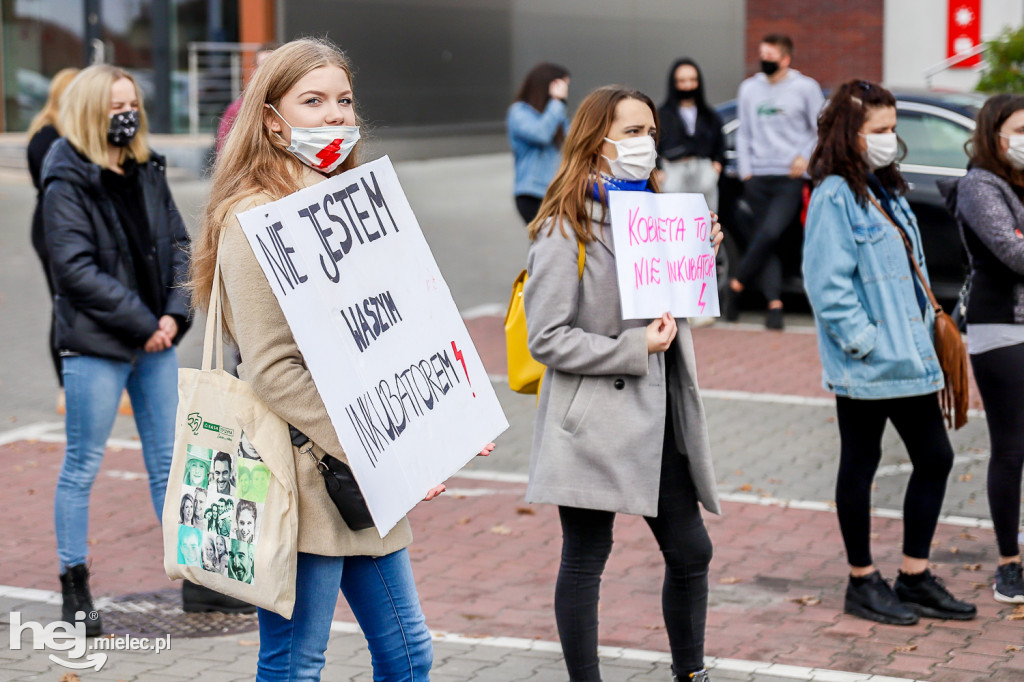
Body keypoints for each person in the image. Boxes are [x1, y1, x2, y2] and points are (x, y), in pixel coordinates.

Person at [189, 37, 494, 681]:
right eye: (314, 100)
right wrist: (385, 449)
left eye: (344, 100)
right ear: (271, 118)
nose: (335, 115)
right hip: (301, 479)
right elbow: (272, 370)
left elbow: (396, 331)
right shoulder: (252, 219)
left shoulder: (354, 203)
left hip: (362, 478)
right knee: (297, 663)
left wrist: (442, 422)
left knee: (409, 654)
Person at [523, 85, 723, 682]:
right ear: (596, 140)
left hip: (658, 412)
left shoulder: (658, 212)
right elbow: (547, 338)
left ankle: (690, 671)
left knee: (691, 551)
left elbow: (675, 307)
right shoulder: (565, 227)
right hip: (595, 418)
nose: (645, 144)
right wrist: (635, 347)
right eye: (632, 132)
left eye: (650, 133)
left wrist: (702, 254)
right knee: (586, 559)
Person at [803, 79, 976, 626]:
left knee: (933, 458)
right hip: (871, 361)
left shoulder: (884, 187)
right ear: (849, 134)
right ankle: (861, 580)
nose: (889, 139)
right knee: (862, 463)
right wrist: (867, 342)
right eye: (879, 130)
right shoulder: (835, 194)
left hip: (908, 356)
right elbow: (828, 286)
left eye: (892, 129)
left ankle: (914, 575)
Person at [43, 64, 193, 636]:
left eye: (131, 103)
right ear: (88, 112)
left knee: (168, 465)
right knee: (82, 465)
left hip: (156, 340)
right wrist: (142, 324)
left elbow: (181, 246)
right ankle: (74, 586)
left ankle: (195, 577)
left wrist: (175, 317)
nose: (126, 115)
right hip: (98, 345)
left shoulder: (147, 169)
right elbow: (74, 270)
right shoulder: (66, 179)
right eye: (113, 106)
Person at [939, 94, 1024, 604]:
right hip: (1002, 329)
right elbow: (1013, 252)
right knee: (1012, 447)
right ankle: (1008, 563)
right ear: (994, 133)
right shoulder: (979, 185)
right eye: (1019, 127)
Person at [729, 34, 824, 330]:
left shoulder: (805, 88)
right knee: (765, 239)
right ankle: (774, 306)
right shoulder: (749, 89)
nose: (764, 59)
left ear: (785, 59)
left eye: (770, 54)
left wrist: (806, 157)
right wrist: (746, 170)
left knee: (769, 234)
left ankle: (736, 285)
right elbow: (743, 132)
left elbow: (821, 127)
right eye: (762, 53)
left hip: (790, 177)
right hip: (757, 176)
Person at [27, 67, 79, 391]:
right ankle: (66, 385)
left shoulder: (71, 131)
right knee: (63, 304)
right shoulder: (48, 136)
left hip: (70, 227)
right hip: (53, 229)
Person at [656, 58, 725, 211]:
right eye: (682, 81)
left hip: (703, 170)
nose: (688, 85)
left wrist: (716, 165)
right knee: (673, 220)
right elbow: (653, 144)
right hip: (672, 170)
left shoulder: (709, 115)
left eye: (693, 80)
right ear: (674, 83)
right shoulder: (662, 115)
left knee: (705, 222)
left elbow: (720, 143)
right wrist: (658, 170)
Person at [507, 62, 571, 224]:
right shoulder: (519, 112)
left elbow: (571, 141)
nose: (566, 91)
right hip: (532, 193)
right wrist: (557, 102)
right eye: (563, 85)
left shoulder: (554, 113)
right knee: (545, 242)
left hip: (556, 192)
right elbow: (541, 134)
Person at [217, 43, 279, 151]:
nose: (266, 72)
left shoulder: (294, 104)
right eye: (262, 66)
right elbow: (224, 151)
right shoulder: (237, 109)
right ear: (253, 71)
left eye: (272, 66)